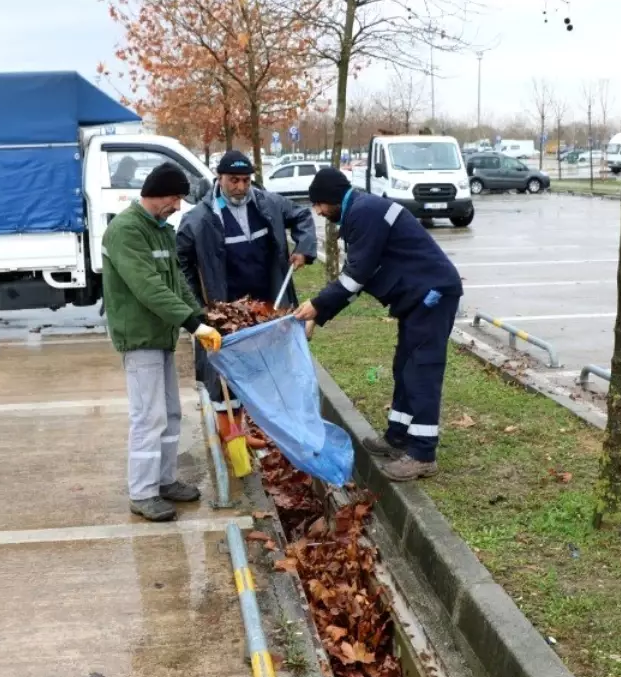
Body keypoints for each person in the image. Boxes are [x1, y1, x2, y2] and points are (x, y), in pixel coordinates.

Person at [294, 167, 463, 482]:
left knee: (422, 369)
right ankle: (398, 436)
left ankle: (423, 454)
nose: (317, 211)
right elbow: (358, 277)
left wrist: (316, 305)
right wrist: (319, 315)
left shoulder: (364, 213)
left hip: (432, 295)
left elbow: (355, 276)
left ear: (330, 198)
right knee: (404, 366)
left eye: (318, 204)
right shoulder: (360, 212)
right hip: (417, 297)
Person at [102, 161, 223, 522]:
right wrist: (190, 322)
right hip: (140, 338)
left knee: (170, 414)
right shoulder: (126, 231)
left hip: (162, 335)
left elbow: (176, 283)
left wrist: (199, 316)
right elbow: (148, 287)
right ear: (159, 195)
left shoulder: (161, 230)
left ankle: (164, 480)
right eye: (176, 199)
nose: (179, 206)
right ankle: (142, 493)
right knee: (147, 417)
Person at [177, 150, 316, 435]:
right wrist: (199, 307)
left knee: (273, 369)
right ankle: (233, 437)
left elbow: (302, 215)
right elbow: (180, 263)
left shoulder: (269, 204)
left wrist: (303, 248)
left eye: (245, 180)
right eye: (233, 181)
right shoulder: (200, 219)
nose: (240, 187)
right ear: (220, 178)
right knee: (228, 377)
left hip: (269, 305)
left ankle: (273, 431)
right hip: (228, 313)